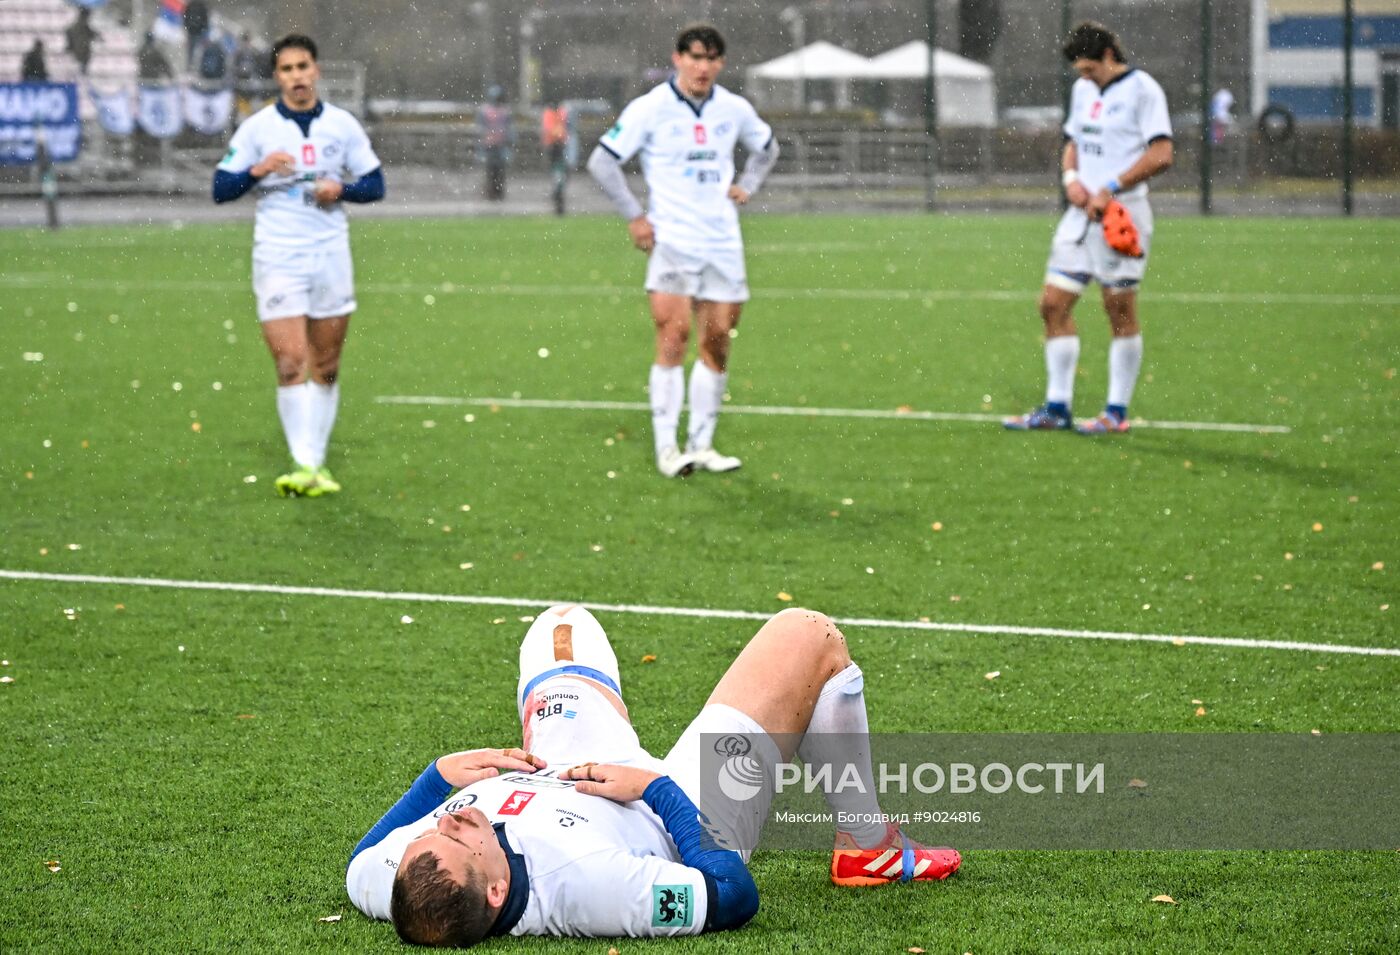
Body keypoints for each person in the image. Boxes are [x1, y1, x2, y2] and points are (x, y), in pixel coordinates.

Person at [347, 604, 960, 945]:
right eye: (456, 832)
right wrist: (655, 789)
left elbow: (362, 858)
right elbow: (731, 894)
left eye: (433, 829)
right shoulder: (594, 890)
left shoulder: (399, 885)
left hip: (568, 769)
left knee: (561, 628)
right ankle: (868, 846)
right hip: (683, 806)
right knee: (808, 636)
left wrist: (436, 777)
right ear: (498, 893)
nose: (452, 817)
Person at [587, 23, 779, 478]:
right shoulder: (650, 108)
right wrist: (636, 215)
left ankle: (703, 444)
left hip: (722, 241)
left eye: (712, 59)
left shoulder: (734, 108)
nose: (703, 66)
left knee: (717, 341)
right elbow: (602, 161)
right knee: (672, 337)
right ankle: (667, 449)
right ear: (677, 59)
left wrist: (747, 185)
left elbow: (767, 148)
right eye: (694, 57)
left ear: (721, 64)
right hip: (673, 240)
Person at [211, 35, 386, 497]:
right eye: (286, 69)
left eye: (303, 66)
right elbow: (220, 187)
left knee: (326, 365)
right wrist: (257, 170)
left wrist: (341, 190)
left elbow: (375, 184)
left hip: (330, 252)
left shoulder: (343, 125)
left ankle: (316, 462)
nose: (296, 76)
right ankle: (303, 464)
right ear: (277, 77)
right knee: (291, 361)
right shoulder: (258, 128)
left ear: (317, 70)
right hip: (278, 254)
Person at [1004, 21, 1172, 436]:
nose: (1084, 78)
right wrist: (1071, 181)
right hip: (1080, 217)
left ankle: (1115, 412)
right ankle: (1057, 407)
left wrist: (1111, 187)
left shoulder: (1143, 90)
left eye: (1089, 69)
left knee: (1118, 310)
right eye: (1079, 71)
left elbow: (1163, 153)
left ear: (1110, 57)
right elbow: (1072, 143)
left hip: (1121, 215)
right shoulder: (1082, 90)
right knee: (1052, 304)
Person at [478, 86, 514, 202]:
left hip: (500, 145)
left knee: (499, 170)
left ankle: (498, 192)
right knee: (491, 170)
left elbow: (510, 129)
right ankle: (492, 192)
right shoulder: (486, 111)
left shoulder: (505, 111)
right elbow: (481, 129)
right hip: (490, 145)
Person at [540, 100, 571, 215]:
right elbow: (554, 130)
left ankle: (558, 191)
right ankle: (558, 192)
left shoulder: (558, 113)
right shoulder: (551, 114)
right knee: (558, 173)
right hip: (554, 148)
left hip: (558, 148)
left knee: (560, 173)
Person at [64, 8, 99, 76]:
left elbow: (68, 31)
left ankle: (82, 73)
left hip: (81, 48)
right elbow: (90, 33)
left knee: (82, 63)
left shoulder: (81, 25)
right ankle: (81, 73)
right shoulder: (82, 25)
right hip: (81, 48)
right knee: (81, 63)